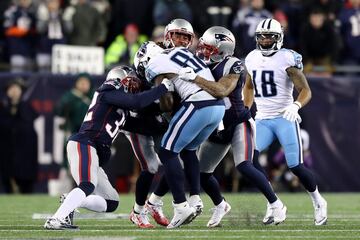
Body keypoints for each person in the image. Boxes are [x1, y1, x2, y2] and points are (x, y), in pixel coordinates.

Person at [178, 26, 286, 227]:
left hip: (238, 122)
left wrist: (195, 77)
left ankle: (276, 204)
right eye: (203, 47)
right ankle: (220, 205)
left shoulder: (234, 64)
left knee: (244, 165)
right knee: (202, 174)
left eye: (209, 48)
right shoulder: (200, 63)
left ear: (223, 49)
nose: (203, 51)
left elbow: (222, 90)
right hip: (215, 126)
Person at [44, 65, 174, 230]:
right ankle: (56, 219)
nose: (135, 85)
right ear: (120, 80)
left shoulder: (121, 112)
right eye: (131, 81)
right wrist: (162, 88)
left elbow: (147, 127)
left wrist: (170, 115)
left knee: (111, 202)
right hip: (84, 142)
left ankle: (72, 200)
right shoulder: (107, 90)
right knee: (87, 185)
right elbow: (137, 101)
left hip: (93, 150)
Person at [243, 18, 328, 226]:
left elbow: (306, 90)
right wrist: (246, 111)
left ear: (278, 38)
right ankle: (274, 204)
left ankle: (318, 201)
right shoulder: (251, 58)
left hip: (284, 117)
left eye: (269, 36)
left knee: (295, 166)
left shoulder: (287, 58)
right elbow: (249, 87)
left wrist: (295, 106)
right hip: (262, 118)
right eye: (261, 36)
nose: (264, 40)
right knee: (247, 161)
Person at [139, 39, 226, 229]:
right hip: (218, 108)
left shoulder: (156, 63)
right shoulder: (184, 53)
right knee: (189, 150)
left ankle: (180, 206)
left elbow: (167, 100)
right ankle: (195, 199)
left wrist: (161, 110)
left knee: (167, 152)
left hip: (198, 104)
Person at [127, 19, 200, 229]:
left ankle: (154, 202)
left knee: (175, 161)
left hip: (160, 120)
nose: (181, 40)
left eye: (186, 37)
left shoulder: (180, 58)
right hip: (140, 121)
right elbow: (141, 100)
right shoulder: (150, 54)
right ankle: (138, 212)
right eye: (178, 36)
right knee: (150, 167)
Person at [0, 78, 38, 193]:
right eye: (11, 88)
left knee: (26, 184)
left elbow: (28, 122)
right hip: (7, 152)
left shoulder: (27, 107)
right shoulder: (3, 108)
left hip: (25, 153)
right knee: (7, 183)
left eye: (17, 88)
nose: (14, 91)